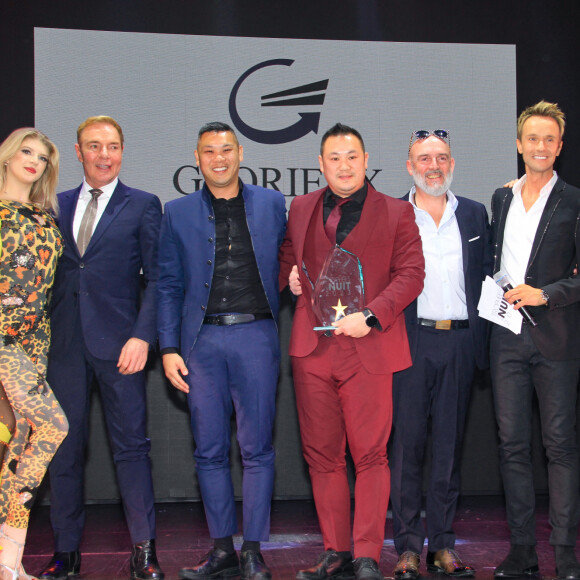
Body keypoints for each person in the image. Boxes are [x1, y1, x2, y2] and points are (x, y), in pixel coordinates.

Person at [280, 123, 425, 580]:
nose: (343, 165)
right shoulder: (301, 207)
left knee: (370, 456)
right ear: (321, 165)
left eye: (352, 157)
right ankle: (335, 550)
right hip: (313, 347)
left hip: (370, 347)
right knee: (322, 456)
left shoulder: (398, 212)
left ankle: (366, 553)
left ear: (366, 161)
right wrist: (290, 277)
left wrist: (373, 315)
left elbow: (412, 273)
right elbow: (289, 256)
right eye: (334, 158)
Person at [157, 122, 286, 580]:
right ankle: (221, 551)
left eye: (226, 149)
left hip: (255, 337)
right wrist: (168, 347)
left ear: (240, 152)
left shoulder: (273, 204)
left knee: (257, 449)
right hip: (201, 344)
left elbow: (297, 260)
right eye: (209, 151)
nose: (219, 158)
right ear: (197, 158)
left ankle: (252, 550)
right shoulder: (175, 212)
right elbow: (168, 286)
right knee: (208, 450)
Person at [38, 116, 164, 580]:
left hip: (122, 346)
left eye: (112, 146)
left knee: (131, 449)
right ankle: (65, 554)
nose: (104, 154)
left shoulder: (144, 206)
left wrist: (142, 336)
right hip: (63, 347)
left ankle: (144, 553)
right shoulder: (53, 204)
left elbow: (158, 280)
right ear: (78, 152)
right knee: (64, 451)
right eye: (94, 146)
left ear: (123, 151)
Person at [390, 130, 491, 579]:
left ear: (452, 163)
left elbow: (488, 276)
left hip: (459, 344)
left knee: (449, 451)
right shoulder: (392, 214)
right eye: (424, 158)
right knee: (407, 449)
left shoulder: (474, 214)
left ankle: (443, 546)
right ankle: (409, 547)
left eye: (442, 157)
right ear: (409, 167)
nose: (435, 166)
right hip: (409, 342)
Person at [490, 101, 580, 580]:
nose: (540, 147)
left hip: (556, 341)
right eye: (533, 139)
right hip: (506, 338)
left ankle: (565, 554)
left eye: (550, 139)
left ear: (559, 147)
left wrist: (547, 293)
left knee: (560, 447)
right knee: (511, 448)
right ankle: (522, 551)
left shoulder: (575, 200)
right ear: (519, 144)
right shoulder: (501, 198)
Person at [0, 128, 68, 580]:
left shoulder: (46, 218)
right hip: (1, 337)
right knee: (53, 424)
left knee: (18, 445)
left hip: (34, 342)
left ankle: (9, 562)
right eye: (26, 152)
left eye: (42, 158)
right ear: (8, 156)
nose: (33, 161)